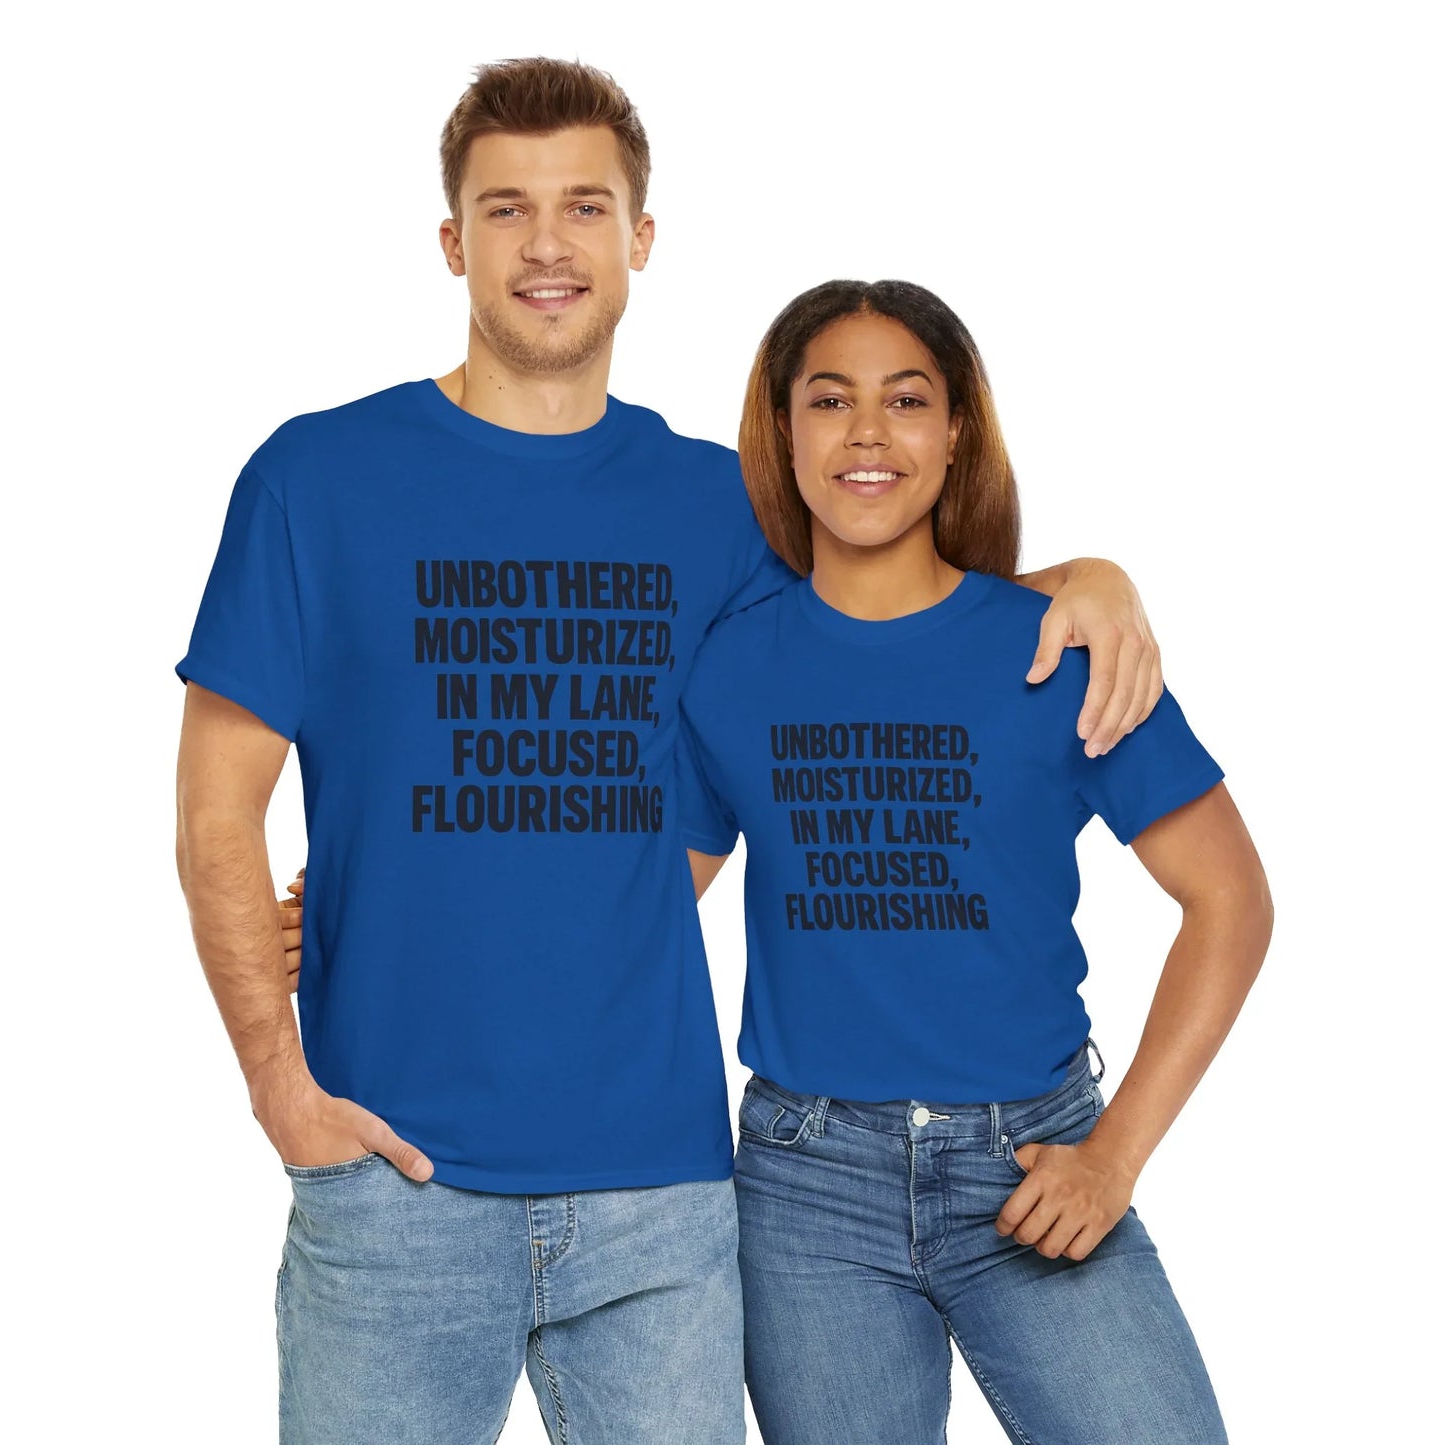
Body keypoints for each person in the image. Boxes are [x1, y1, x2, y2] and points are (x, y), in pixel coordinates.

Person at [177, 57, 1167, 1445]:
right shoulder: (316, 478)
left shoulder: (721, 508)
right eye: (505, 208)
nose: (545, 244)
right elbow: (218, 807)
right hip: (388, 1175)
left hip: (663, 1192)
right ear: (452, 241)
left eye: (584, 206)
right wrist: (281, 1090)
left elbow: (905, 596)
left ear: (639, 241)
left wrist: (1093, 573)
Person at [671, 279, 1274, 1443]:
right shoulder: (729, 668)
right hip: (806, 1186)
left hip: (1031, 1157)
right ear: (782, 432)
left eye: (905, 399)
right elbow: (629, 905)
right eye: (827, 399)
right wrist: (364, 912)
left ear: (954, 435)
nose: (864, 432)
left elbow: (1230, 899)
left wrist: (1114, 1153)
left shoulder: (1058, 647)